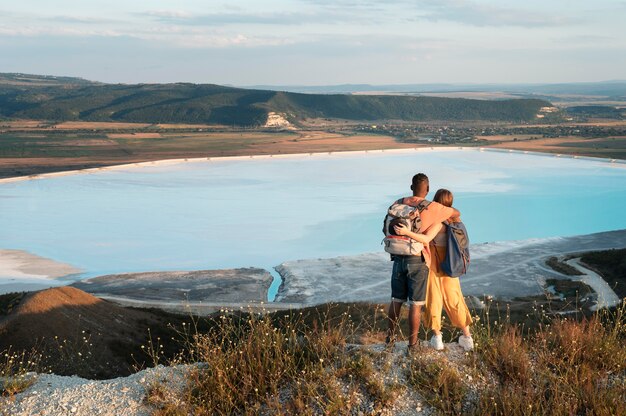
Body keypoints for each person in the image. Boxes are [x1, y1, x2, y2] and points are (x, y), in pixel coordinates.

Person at [385, 174, 460, 355]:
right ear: (427, 189)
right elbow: (456, 213)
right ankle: (412, 345)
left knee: (396, 300)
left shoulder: (398, 202)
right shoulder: (433, 207)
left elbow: (386, 225)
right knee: (415, 304)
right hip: (417, 259)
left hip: (397, 257)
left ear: (411, 187)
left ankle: (389, 340)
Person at [394, 188, 474, 352]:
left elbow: (426, 239)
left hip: (434, 264)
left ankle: (437, 338)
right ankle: (467, 338)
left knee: (433, 299)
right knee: (455, 299)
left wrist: (406, 232)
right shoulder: (456, 222)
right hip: (451, 265)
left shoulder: (437, 223)